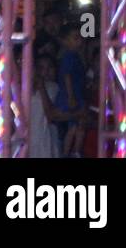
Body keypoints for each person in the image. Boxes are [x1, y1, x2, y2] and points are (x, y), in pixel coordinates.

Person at [54, 24, 86, 157]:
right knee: (75, 126)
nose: (79, 41)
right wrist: (71, 96)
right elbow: (66, 76)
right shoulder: (69, 56)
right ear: (65, 41)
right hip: (71, 95)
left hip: (76, 93)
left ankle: (74, 151)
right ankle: (70, 152)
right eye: (75, 38)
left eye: (79, 38)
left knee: (78, 126)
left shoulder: (75, 56)